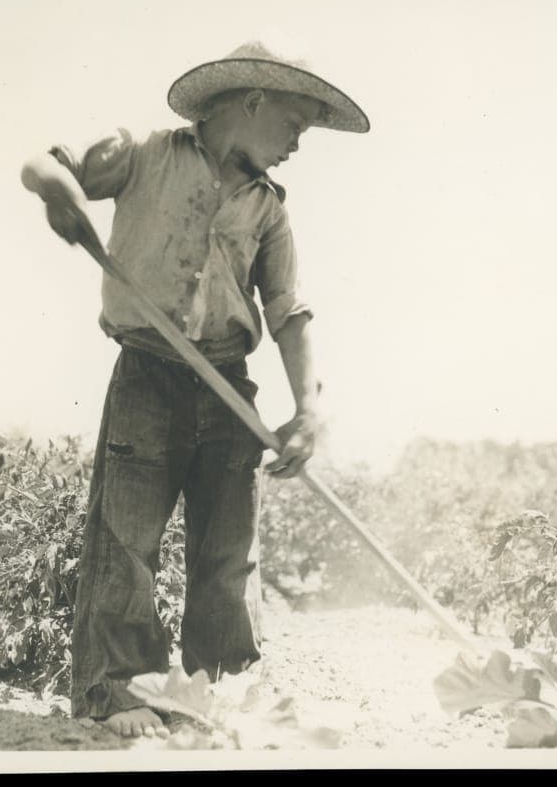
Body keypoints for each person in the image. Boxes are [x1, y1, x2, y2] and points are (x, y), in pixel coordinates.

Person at [20, 42, 369, 738]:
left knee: (228, 552)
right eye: (295, 127)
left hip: (228, 386)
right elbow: (41, 165)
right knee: (126, 540)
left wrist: (308, 408)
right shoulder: (142, 154)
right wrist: (55, 191)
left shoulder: (268, 208)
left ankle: (219, 687)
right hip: (147, 371)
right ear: (253, 102)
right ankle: (121, 692)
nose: (297, 146)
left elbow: (289, 312)